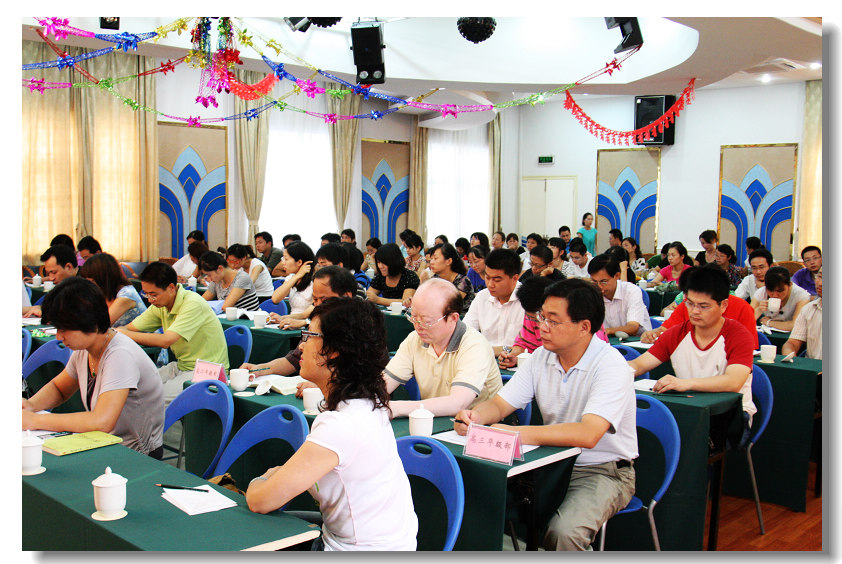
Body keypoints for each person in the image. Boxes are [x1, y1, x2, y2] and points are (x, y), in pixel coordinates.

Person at [454, 278, 637, 551]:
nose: (542, 326)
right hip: (550, 463)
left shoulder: (611, 366)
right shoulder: (541, 356)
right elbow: (501, 405)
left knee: (565, 533)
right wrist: (475, 416)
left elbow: (588, 434)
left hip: (601, 470)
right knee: (479, 498)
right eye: (541, 317)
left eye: (553, 320)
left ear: (584, 327)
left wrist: (515, 432)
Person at [245, 298, 418, 551]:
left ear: (335, 350)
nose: (301, 345)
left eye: (309, 336)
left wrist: (263, 478)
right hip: (372, 543)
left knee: (247, 527)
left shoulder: (342, 425)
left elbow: (260, 500)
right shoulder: (369, 403)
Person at [22, 278, 164, 457]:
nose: (58, 337)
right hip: (104, 443)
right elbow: (59, 389)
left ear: (90, 322)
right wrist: (30, 405)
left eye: (64, 329)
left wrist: (36, 420)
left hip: (135, 454)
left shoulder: (120, 354)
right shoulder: (85, 349)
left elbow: (102, 421)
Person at [628, 267, 756, 440]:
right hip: (689, 407)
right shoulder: (677, 333)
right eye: (690, 303)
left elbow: (733, 382)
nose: (695, 311)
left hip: (730, 413)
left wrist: (685, 383)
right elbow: (638, 365)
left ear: (723, 305)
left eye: (704, 306)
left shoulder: (738, 335)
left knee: (690, 439)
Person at [383, 279, 503, 418]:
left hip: (480, 424)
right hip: (436, 420)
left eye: (427, 321)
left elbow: (457, 403)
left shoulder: (475, 345)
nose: (418, 326)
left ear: (453, 318)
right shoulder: (414, 339)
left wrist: (395, 408)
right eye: (414, 317)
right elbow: (384, 383)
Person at [116, 261, 229, 404]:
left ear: (171, 288)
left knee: (154, 400)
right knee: (133, 388)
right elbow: (130, 328)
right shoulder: (160, 305)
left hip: (207, 371)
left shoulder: (192, 303)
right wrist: (119, 331)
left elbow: (166, 340)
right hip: (181, 366)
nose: (150, 300)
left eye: (153, 294)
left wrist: (121, 333)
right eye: (146, 294)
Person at [242, 266, 360, 375]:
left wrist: (321, 385)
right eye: (315, 300)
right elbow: (293, 360)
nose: (318, 305)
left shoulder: (359, 327)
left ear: (346, 296)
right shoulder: (317, 323)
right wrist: (261, 369)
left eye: (324, 300)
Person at [640, 265, 759, 349]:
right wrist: (652, 334)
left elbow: (750, 347)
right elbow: (665, 330)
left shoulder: (742, 308)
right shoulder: (687, 305)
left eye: (704, 306)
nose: (695, 310)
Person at [463, 249, 525, 356]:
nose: (490, 284)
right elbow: (466, 332)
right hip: (485, 357)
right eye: (487, 277)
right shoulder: (482, 297)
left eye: (497, 280)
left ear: (515, 278)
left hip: (519, 360)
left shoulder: (528, 300)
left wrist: (504, 351)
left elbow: (535, 345)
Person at [497, 276, 554, 368]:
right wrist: (513, 356)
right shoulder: (530, 317)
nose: (540, 325)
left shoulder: (565, 324)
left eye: (543, 317)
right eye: (534, 319)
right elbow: (523, 345)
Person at [588, 255, 651, 337]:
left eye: (604, 281)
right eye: (594, 281)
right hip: (609, 340)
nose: (599, 286)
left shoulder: (631, 291)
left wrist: (607, 331)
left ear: (617, 276)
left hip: (638, 340)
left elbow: (633, 327)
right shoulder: (592, 292)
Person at [79, 253, 147, 327]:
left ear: (105, 278)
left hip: (140, 334)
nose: (89, 285)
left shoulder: (126, 294)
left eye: (92, 281)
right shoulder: (103, 293)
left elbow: (100, 326)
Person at [24, 244, 80, 318]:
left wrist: (47, 313)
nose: (51, 278)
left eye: (54, 272)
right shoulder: (64, 284)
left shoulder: (84, 286)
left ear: (69, 267)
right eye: (48, 273)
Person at [751, 266, 810, 332]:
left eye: (780, 291)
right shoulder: (761, 292)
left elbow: (796, 325)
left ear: (790, 285)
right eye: (770, 290)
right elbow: (746, 321)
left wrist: (769, 322)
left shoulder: (801, 295)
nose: (775, 295)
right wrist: (759, 309)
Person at [783, 267, 822, 359]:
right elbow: (792, 343)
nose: (820, 283)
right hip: (812, 367)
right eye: (819, 276)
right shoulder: (809, 309)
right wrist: (789, 353)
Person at [367, 242, 420, 307]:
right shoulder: (381, 277)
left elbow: (405, 302)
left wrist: (378, 300)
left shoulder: (409, 276)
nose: (380, 266)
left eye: (384, 263)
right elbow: (369, 295)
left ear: (394, 262)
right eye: (378, 262)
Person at [428, 243, 475, 314]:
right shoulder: (434, 279)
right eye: (431, 259)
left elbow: (449, 305)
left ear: (449, 261)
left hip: (461, 318)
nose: (431, 262)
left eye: (435, 258)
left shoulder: (463, 281)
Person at [270, 241, 315, 315]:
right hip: (291, 319)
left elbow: (310, 313)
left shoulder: (314, 281)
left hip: (306, 320)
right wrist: (297, 276)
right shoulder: (291, 278)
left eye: (286, 259)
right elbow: (275, 299)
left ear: (299, 262)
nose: (283, 263)